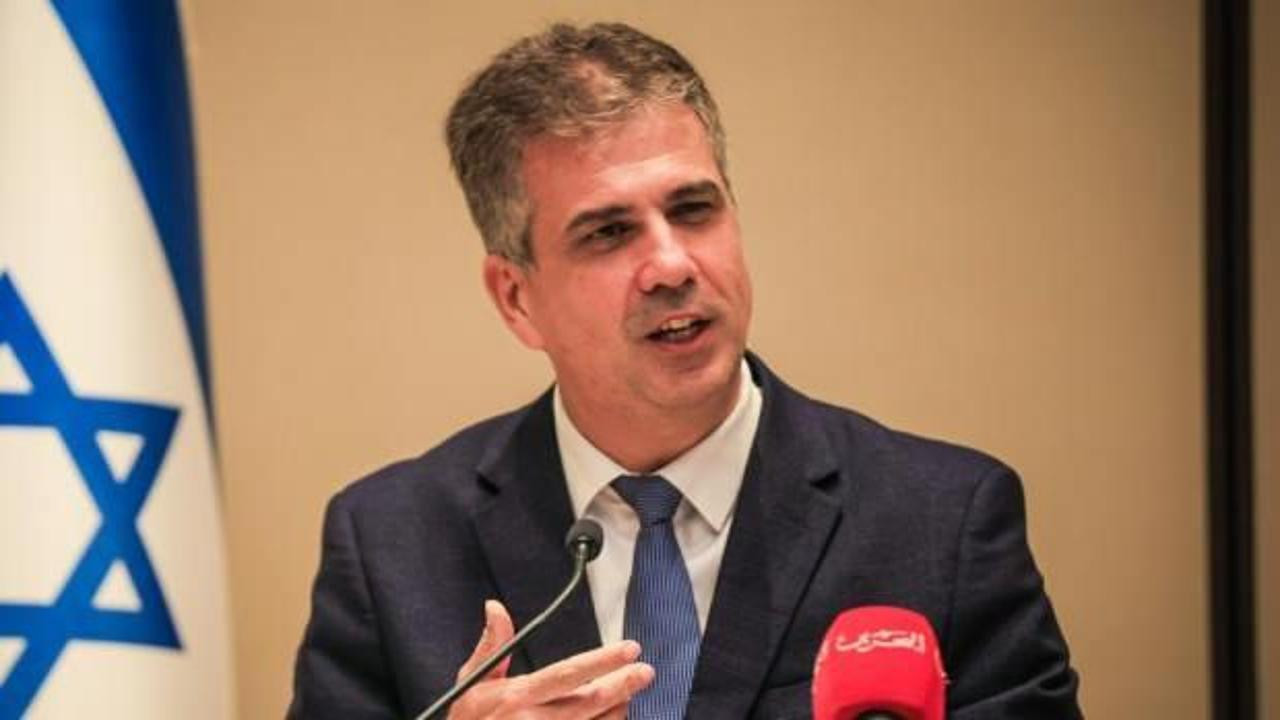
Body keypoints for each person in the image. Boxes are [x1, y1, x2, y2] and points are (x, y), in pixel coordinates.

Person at [289, 22, 1081, 719]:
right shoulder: (392, 544)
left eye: (694, 209)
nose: (671, 264)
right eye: (608, 233)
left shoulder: (943, 520)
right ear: (516, 298)